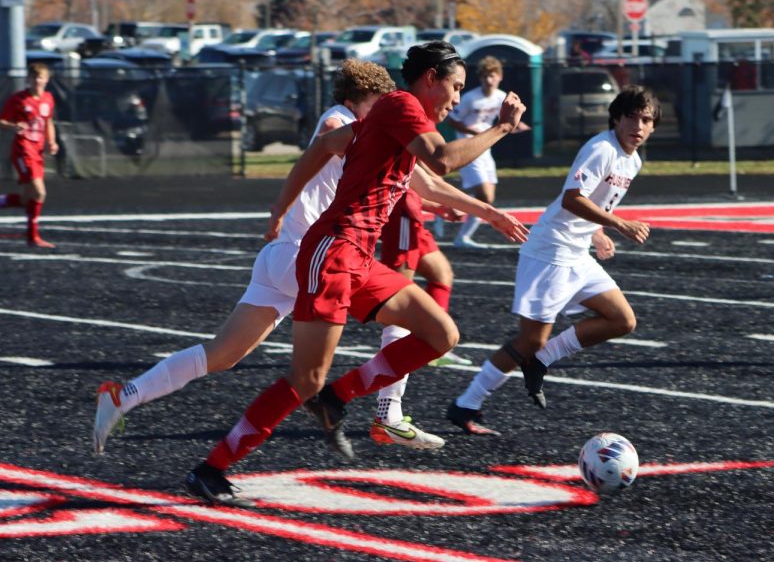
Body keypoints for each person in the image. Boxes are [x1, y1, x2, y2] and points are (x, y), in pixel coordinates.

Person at [184, 41, 528, 506]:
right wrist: (501, 128)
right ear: (430, 78)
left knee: (441, 334)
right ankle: (211, 469)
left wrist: (487, 211)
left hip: (359, 258)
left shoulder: (396, 117)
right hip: (331, 254)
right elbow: (443, 160)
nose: (456, 99)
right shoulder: (402, 106)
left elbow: (353, 157)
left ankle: (337, 397)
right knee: (304, 378)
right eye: (455, 87)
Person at [92, 59, 398, 455]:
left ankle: (123, 396)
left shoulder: (359, 130)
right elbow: (330, 133)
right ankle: (386, 411)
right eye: (382, 102)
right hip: (308, 258)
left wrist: (477, 209)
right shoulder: (339, 120)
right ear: (363, 97)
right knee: (407, 314)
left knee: (221, 355)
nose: (387, 111)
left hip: (283, 258)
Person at [446, 85, 659, 435]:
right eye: (631, 118)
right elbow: (572, 199)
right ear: (616, 119)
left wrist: (598, 232)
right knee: (529, 340)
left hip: (577, 252)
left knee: (622, 320)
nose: (638, 126)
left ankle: (540, 362)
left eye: (646, 120)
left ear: (653, 126)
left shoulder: (632, 160)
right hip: (550, 251)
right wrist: (619, 224)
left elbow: (594, 203)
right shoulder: (602, 148)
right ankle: (466, 404)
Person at [369, 190, 470, 450]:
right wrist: (489, 213)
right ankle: (387, 412)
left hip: (408, 202)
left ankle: (429, 343)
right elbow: (435, 166)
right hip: (401, 207)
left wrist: (434, 204)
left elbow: (411, 176)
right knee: (398, 300)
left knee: (441, 273)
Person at [445, 56, 529, 248]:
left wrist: (518, 124)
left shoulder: (501, 97)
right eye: (484, 76)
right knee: (485, 196)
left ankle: (451, 212)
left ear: (499, 77)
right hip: (467, 147)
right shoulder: (470, 98)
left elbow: (505, 120)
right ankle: (461, 235)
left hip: (485, 148)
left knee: (487, 196)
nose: (488, 80)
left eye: (491, 76)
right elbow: (452, 120)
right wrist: (473, 131)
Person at [0, 63, 59, 248]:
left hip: (38, 151)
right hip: (23, 150)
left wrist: (52, 141)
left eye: (40, 77)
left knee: (28, 198)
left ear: (47, 79)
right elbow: (2, 120)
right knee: (40, 192)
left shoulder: (48, 99)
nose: (37, 81)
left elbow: (48, 122)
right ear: (28, 79)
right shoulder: (18, 99)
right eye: (34, 77)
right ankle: (33, 237)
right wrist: (13, 126)